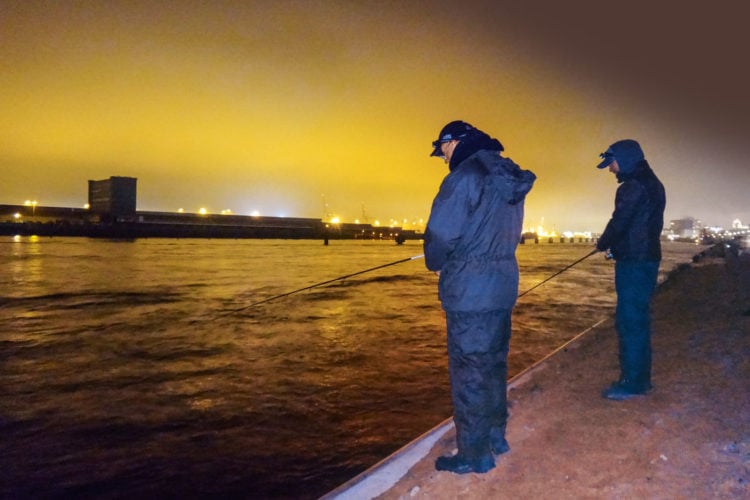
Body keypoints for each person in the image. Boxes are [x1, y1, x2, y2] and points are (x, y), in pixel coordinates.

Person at [423, 120, 536, 474]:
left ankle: (474, 455)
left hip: (470, 292)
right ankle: (495, 437)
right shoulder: (507, 177)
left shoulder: (464, 178)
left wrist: (437, 264)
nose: (442, 157)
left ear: (454, 143)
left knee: (470, 371)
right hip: (501, 286)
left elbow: (440, 234)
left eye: (442, 149)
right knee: (493, 365)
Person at [595, 139, 666, 401]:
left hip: (634, 264)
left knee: (630, 321)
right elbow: (639, 227)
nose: (611, 169)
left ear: (624, 159)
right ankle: (640, 379)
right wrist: (618, 248)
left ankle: (632, 383)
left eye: (611, 163)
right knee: (638, 318)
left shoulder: (632, 186)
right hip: (645, 259)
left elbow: (620, 222)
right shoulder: (653, 183)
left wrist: (603, 244)